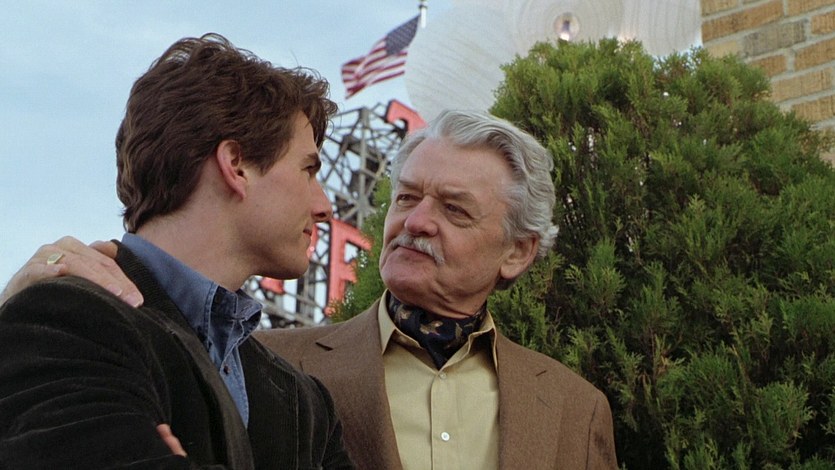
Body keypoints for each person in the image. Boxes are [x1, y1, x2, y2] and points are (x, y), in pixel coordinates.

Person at [3, 110, 617, 469]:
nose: (417, 222)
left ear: (517, 251)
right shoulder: (269, 370)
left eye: (454, 209)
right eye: (406, 197)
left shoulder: (575, 408)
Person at [0, 33, 353, 469]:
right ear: (236, 165)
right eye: (308, 170)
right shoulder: (64, 317)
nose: (324, 206)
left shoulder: (306, 402)